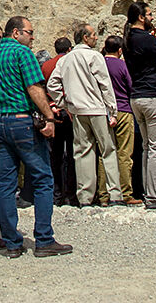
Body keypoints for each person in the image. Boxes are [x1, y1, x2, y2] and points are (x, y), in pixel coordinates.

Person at [0, 16, 72, 259]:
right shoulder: (23, 54)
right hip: (23, 121)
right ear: (16, 33)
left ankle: (12, 243)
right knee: (43, 179)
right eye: (30, 32)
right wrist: (50, 118)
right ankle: (44, 240)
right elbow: (34, 88)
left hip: (0, 123)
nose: (32, 37)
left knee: (7, 183)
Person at [48, 21, 122, 207]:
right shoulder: (95, 56)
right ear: (85, 38)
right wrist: (112, 110)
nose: (96, 38)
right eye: (94, 35)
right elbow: (105, 85)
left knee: (82, 152)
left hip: (77, 111)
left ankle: (85, 197)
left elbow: (53, 85)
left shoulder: (66, 59)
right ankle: (114, 194)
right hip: (96, 109)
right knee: (108, 150)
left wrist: (65, 104)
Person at [122, 1, 156, 211]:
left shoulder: (129, 40)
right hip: (152, 96)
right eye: (150, 15)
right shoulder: (147, 40)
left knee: (146, 147)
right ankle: (154, 196)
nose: (153, 18)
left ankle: (147, 192)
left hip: (136, 97)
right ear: (142, 18)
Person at [102, 34, 138, 204]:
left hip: (103, 111)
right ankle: (126, 193)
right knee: (124, 153)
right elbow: (130, 86)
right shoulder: (122, 65)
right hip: (123, 110)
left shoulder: (99, 63)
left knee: (104, 152)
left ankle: (103, 194)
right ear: (120, 50)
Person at [41, 36, 76, 206]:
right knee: (71, 153)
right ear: (69, 49)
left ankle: (56, 193)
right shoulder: (72, 62)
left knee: (55, 155)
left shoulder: (46, 65)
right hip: (69, 112)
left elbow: (42, 88)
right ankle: (70, 193)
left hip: (53, 113)